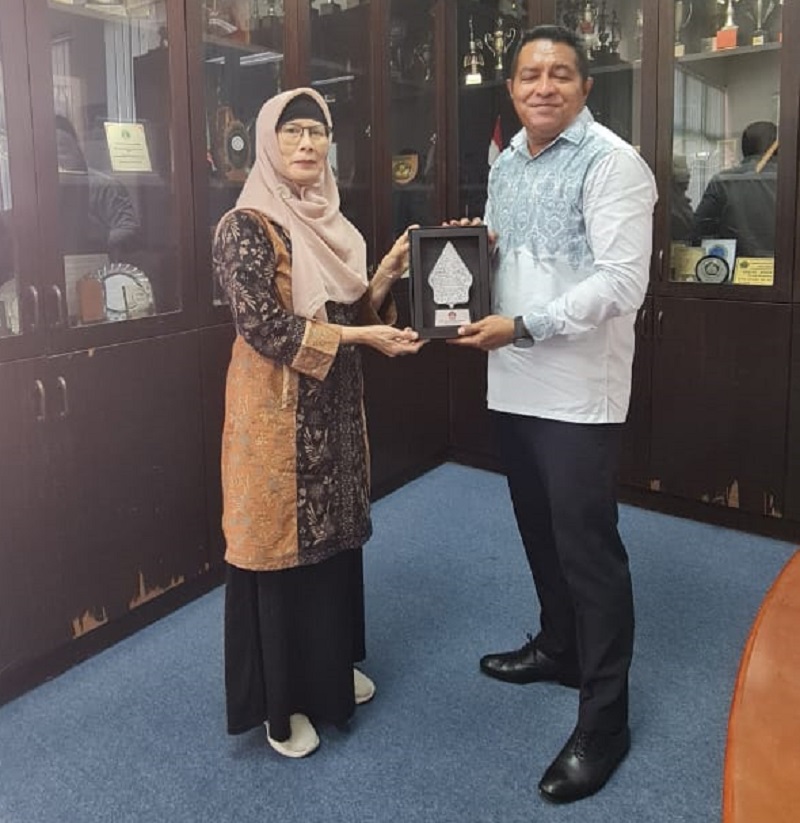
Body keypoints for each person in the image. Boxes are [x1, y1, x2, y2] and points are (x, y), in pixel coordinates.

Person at [450, 25, 657, 803]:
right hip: (511, 379)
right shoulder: (506, 161)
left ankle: (605, 722)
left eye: (560, 74)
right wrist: (463, 259)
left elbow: (622, 283)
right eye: (530, 75)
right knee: (538, 529)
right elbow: (503, 254)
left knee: (588, 552)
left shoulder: (613, 163)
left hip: (576, 391)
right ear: (510, 88)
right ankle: (559, 647)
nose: (544, 86)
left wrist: (525, 325)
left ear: (584, 86)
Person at [212, 87, 423, 759]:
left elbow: (351, 310)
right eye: (292, 131)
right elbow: (266, 328)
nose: (307, 143)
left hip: (333, 413)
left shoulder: (334, 223)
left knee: (332, 545)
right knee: (279, 551)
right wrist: (365, 339)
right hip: (276, 418)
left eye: (317, 131)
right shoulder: (246, 224)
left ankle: (327, 669)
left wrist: (387, 272)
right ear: (268, 142)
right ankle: (282, 704)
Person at [693, 120, 778, 257]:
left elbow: (699, 231)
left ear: (743, 150)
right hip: (787, 267)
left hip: (736, 266)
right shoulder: (792, 181)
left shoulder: (723, 181)